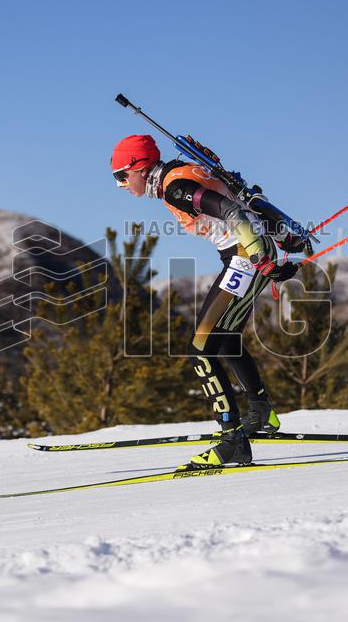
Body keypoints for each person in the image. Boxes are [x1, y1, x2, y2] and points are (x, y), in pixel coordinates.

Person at [110, 134, 306, 468]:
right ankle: (260, 414)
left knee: (201, 347)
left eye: (121, 176)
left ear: (140, 168)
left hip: (246, 255)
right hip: (248, 253)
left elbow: (232, 212)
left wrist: (260, 256)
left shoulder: (175, 187)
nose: (121, 185)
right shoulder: (179, 173)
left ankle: (233, 440)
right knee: (225, 339)